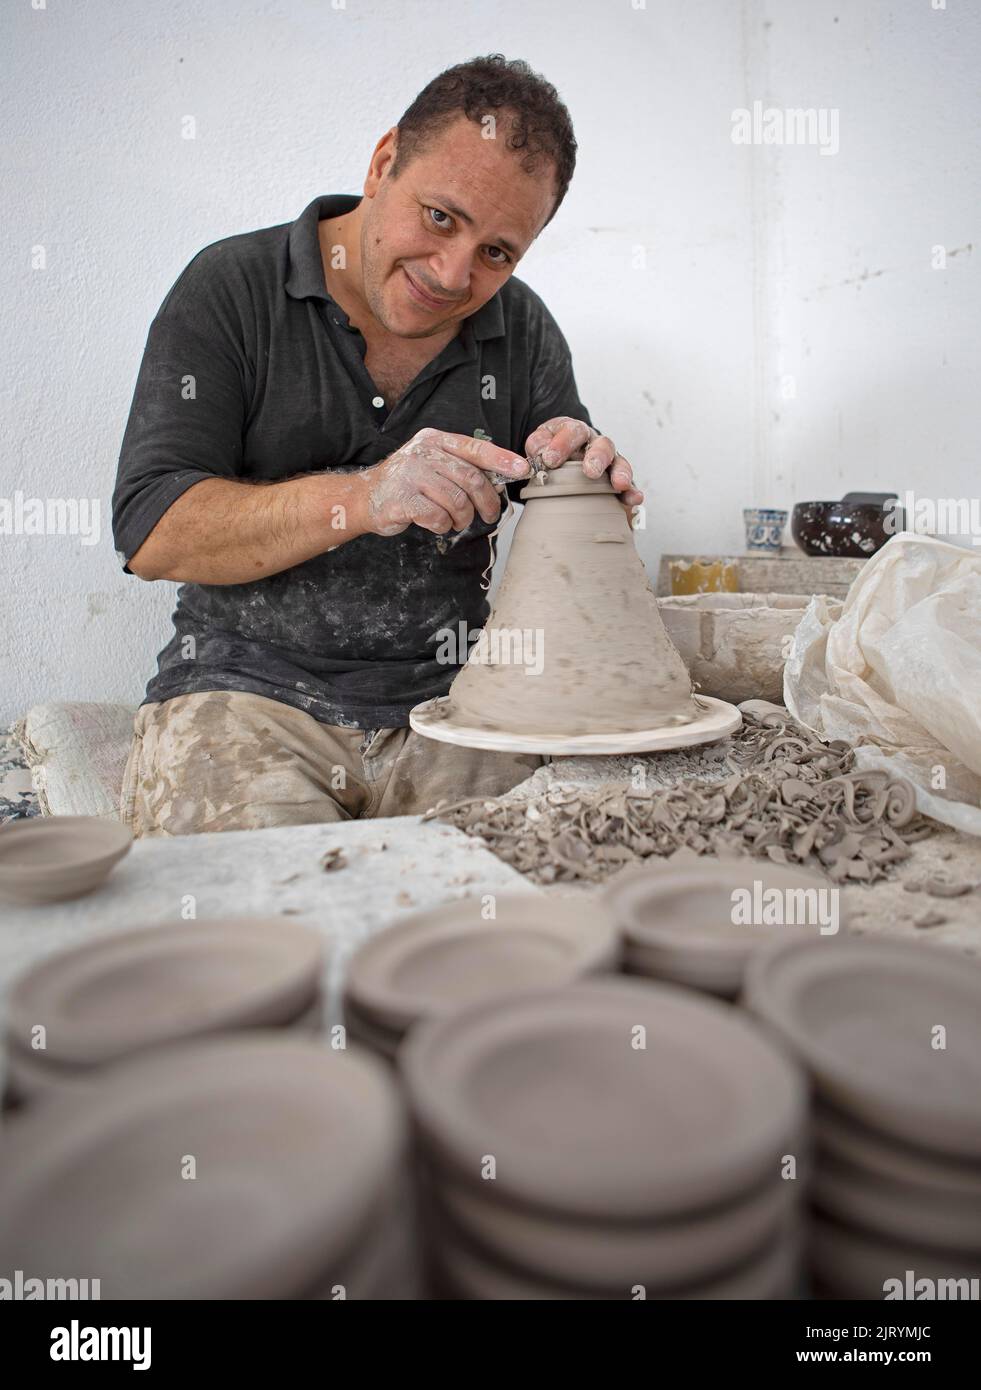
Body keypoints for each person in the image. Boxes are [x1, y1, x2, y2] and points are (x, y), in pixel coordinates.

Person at [112, 54, 644, 837]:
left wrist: (590, 475)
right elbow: (152, 532)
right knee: (272, 925)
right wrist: (364, 498)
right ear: (383, 162)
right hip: (246, 695)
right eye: (439, 217)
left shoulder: (521, 329)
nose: (452, 273)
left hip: (455, 704)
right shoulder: (233, 287)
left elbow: (567, 506)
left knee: (530, 901)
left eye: (496, 252)